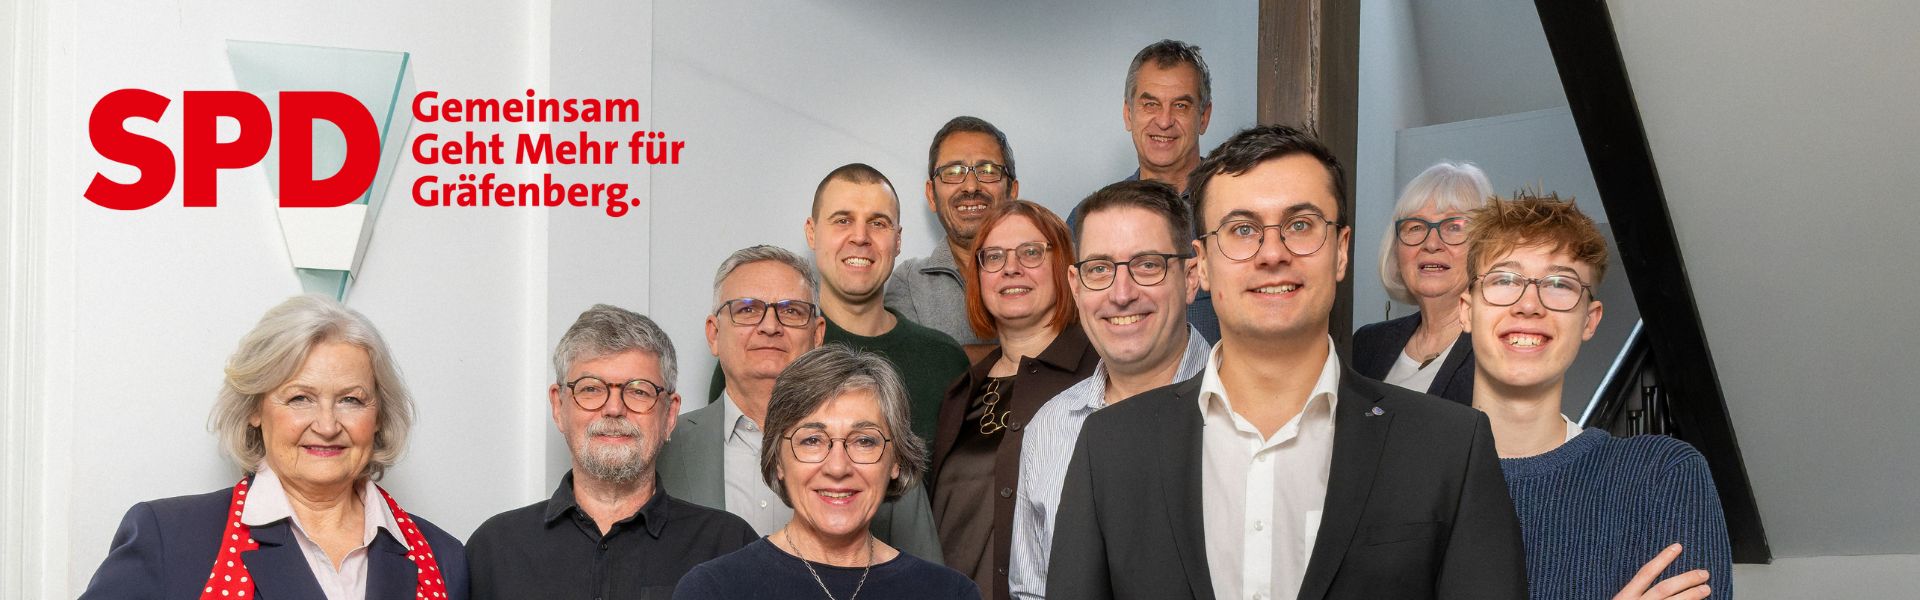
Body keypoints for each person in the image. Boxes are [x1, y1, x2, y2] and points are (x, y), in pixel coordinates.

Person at [1048, 125, 1527, 600]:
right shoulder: (1109, 447)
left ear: (1340, 251)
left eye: (1300, 225)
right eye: (1242, 230)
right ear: (1203, 264)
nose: (1272, 253)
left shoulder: (1449, 446)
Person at [80, 295, 468, 600]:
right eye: (300, 398)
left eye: (351, 400)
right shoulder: (171, 538)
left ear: (379, 415)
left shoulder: (443, 557)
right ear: (255, 409)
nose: (327, 425)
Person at [1458, 194, 1731, 599]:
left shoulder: (1661, 475)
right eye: (1505, 280)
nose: (1529, 305)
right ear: (1466, 310)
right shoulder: (1399, 476)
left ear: (1590, 320)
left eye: (1559, 284)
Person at [659, 245, 944, 562]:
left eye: (791, 311)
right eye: (748, 310)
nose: (770, 326)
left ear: (818, 335)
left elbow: (925, 575)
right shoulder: (663, 446)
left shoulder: (876, 443)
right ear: (714, 334)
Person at [1008, 180, 1212, 600]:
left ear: (1191, 277)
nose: (1122, 294)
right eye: (1099, 268)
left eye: (1148, 265)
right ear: (1076, 285)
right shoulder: (1049, 427)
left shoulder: (1244, 409)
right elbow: (1031, 592)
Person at [466, 304, 756, 599]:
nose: (614, 408)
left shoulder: (729, 546)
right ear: (558, 406)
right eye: (591, 389)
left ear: (670, 415)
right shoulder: (494, 549)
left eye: (638, 391)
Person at [675, 345, 979, 599]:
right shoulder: (712, 590)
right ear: (778, 460)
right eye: (812, 440)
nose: (837, 467)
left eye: (864, 441)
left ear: (896, 459)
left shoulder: (950, 593)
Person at [707, 163, 970, 443]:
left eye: (878, 223)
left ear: (897, 240)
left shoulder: (944, 361)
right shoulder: (765, 350)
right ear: (812, 232)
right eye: (843, 220)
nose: (860, 237)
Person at [933, 199, 1099, 600]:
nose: (1011, 268)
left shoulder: (1100, 374)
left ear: (1064, 268)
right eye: (994, 257)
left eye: (1030, 252)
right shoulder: (961, 390)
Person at [1067, 40, 1222, 343]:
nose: (1164, 121)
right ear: (1128, 114)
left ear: (1204, 117)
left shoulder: (1235, 207)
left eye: (1181, 106)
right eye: (1150, 105)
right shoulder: (1091, 219)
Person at [1353, 162, 1493, 405]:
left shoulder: (1496, 350)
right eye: (1416, 227)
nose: (1431, 244)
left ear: (1485, 245)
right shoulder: (1368, 344)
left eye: (1454, 227)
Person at [887, 116, 1022, 349]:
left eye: (988, 170)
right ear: (931, 195)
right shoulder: (909, 282)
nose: (971, 186)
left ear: (1012, 192)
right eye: (953, 172)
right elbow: (910, 365)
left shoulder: (1053, 263)